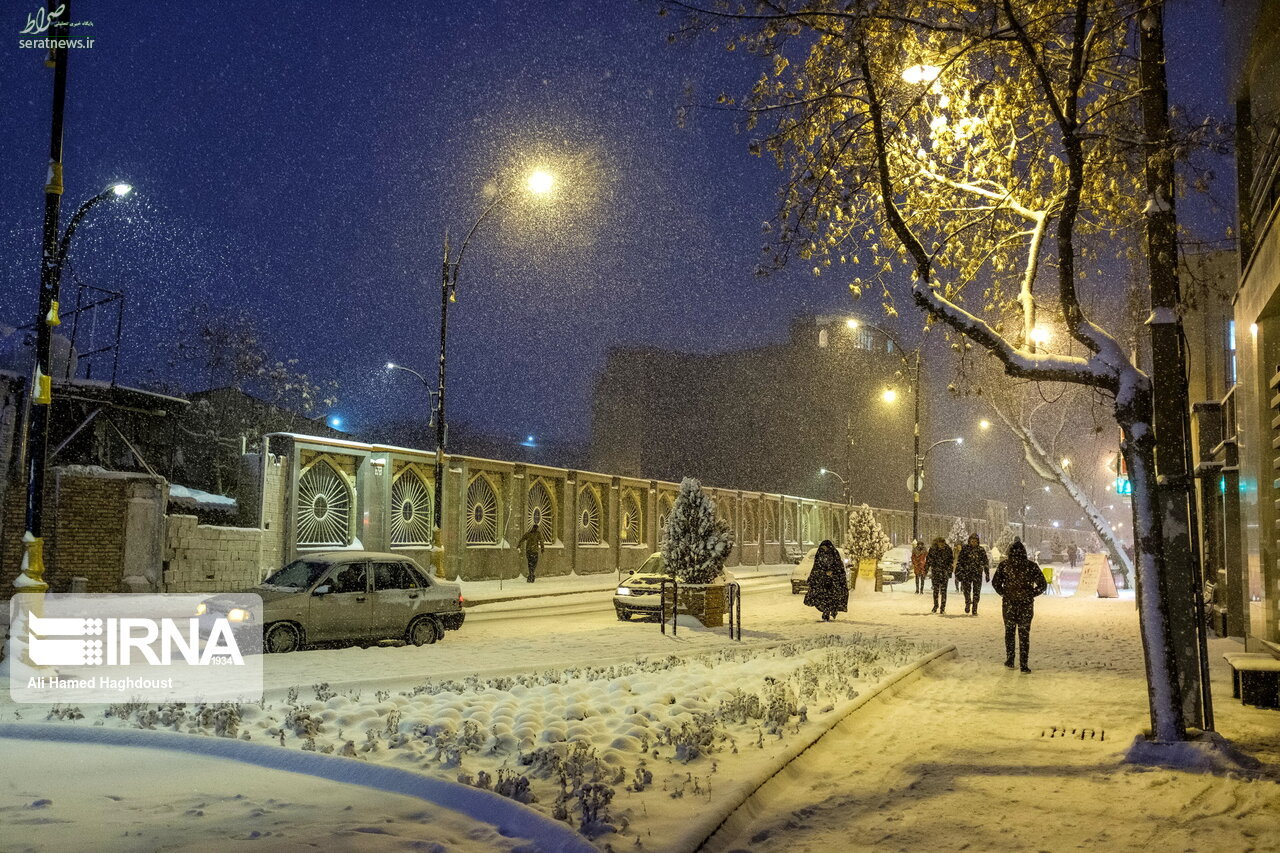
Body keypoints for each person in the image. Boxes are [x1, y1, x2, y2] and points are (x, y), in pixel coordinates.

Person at [991, 538, 1048, 672]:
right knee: (1024, 634)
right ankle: (1024, 664)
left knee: (1009, 632)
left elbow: (995, 583)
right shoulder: (1031, 566)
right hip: (1025, 605)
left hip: (1009, 604)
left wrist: (1004, 593)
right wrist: (1030, 594)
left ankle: (1010, 659)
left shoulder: (1004, 565)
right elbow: (1043, 585)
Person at [803, 539, 849, 621]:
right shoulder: (820, 554)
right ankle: (827, 611)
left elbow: (838, 567)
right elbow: (816, 566)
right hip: (823, 581)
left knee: (831, 598)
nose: (824, 549)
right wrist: (818, 575)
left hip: (832, 582)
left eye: (825, 548)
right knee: (823, 598)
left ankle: (829, 611)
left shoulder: (834, 554)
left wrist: (833, 572)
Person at [955, 533, 990, 615]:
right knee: (966, 590)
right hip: (966, 573)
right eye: (972, 541)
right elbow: (960, 561)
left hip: (977, 573)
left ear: (977, 542)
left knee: (977, 591)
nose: (974, 542)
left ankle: (975, 606)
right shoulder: (965, 549)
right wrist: (959, 570)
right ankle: (968, 602)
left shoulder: (981, 550)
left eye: (975, 541)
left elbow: (985, 562)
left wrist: (987, 573)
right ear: (969, 541)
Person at [925, 537, 953, 614]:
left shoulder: (948, 549)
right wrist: (926, 568)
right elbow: (928, 560)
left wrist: (949, 571)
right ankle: (936, 605)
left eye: (942, 543)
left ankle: (942, 607)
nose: (941, 545)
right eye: (940, 543)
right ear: (937, 543)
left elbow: (950, 561)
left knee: (943, 591)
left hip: (944, 572)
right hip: (935, 572)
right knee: (936, 590)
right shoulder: (933, 549)